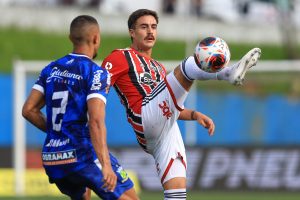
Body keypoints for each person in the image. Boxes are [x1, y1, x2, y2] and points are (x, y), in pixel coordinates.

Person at [101, 9, 261, 200]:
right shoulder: (119, 57)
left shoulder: (158, 67)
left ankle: (227, 73)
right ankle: (227, 73)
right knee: (187, 67)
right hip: (144, 117)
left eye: (153, 27)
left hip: (164, 128)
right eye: (144, 27)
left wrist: (194, 115)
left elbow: (167, 105)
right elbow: (97, 87)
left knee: (177, 192)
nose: (150, 31)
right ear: (132, 32)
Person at [22, 15, 139, 200]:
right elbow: (96, 120)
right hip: (82, 154)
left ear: (70, 38)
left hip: (53, 158)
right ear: (96, 38)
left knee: (84, 195)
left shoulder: (50, 69)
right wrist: (105, 164)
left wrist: (58, 134)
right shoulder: (95, 73)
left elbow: (28, 110)